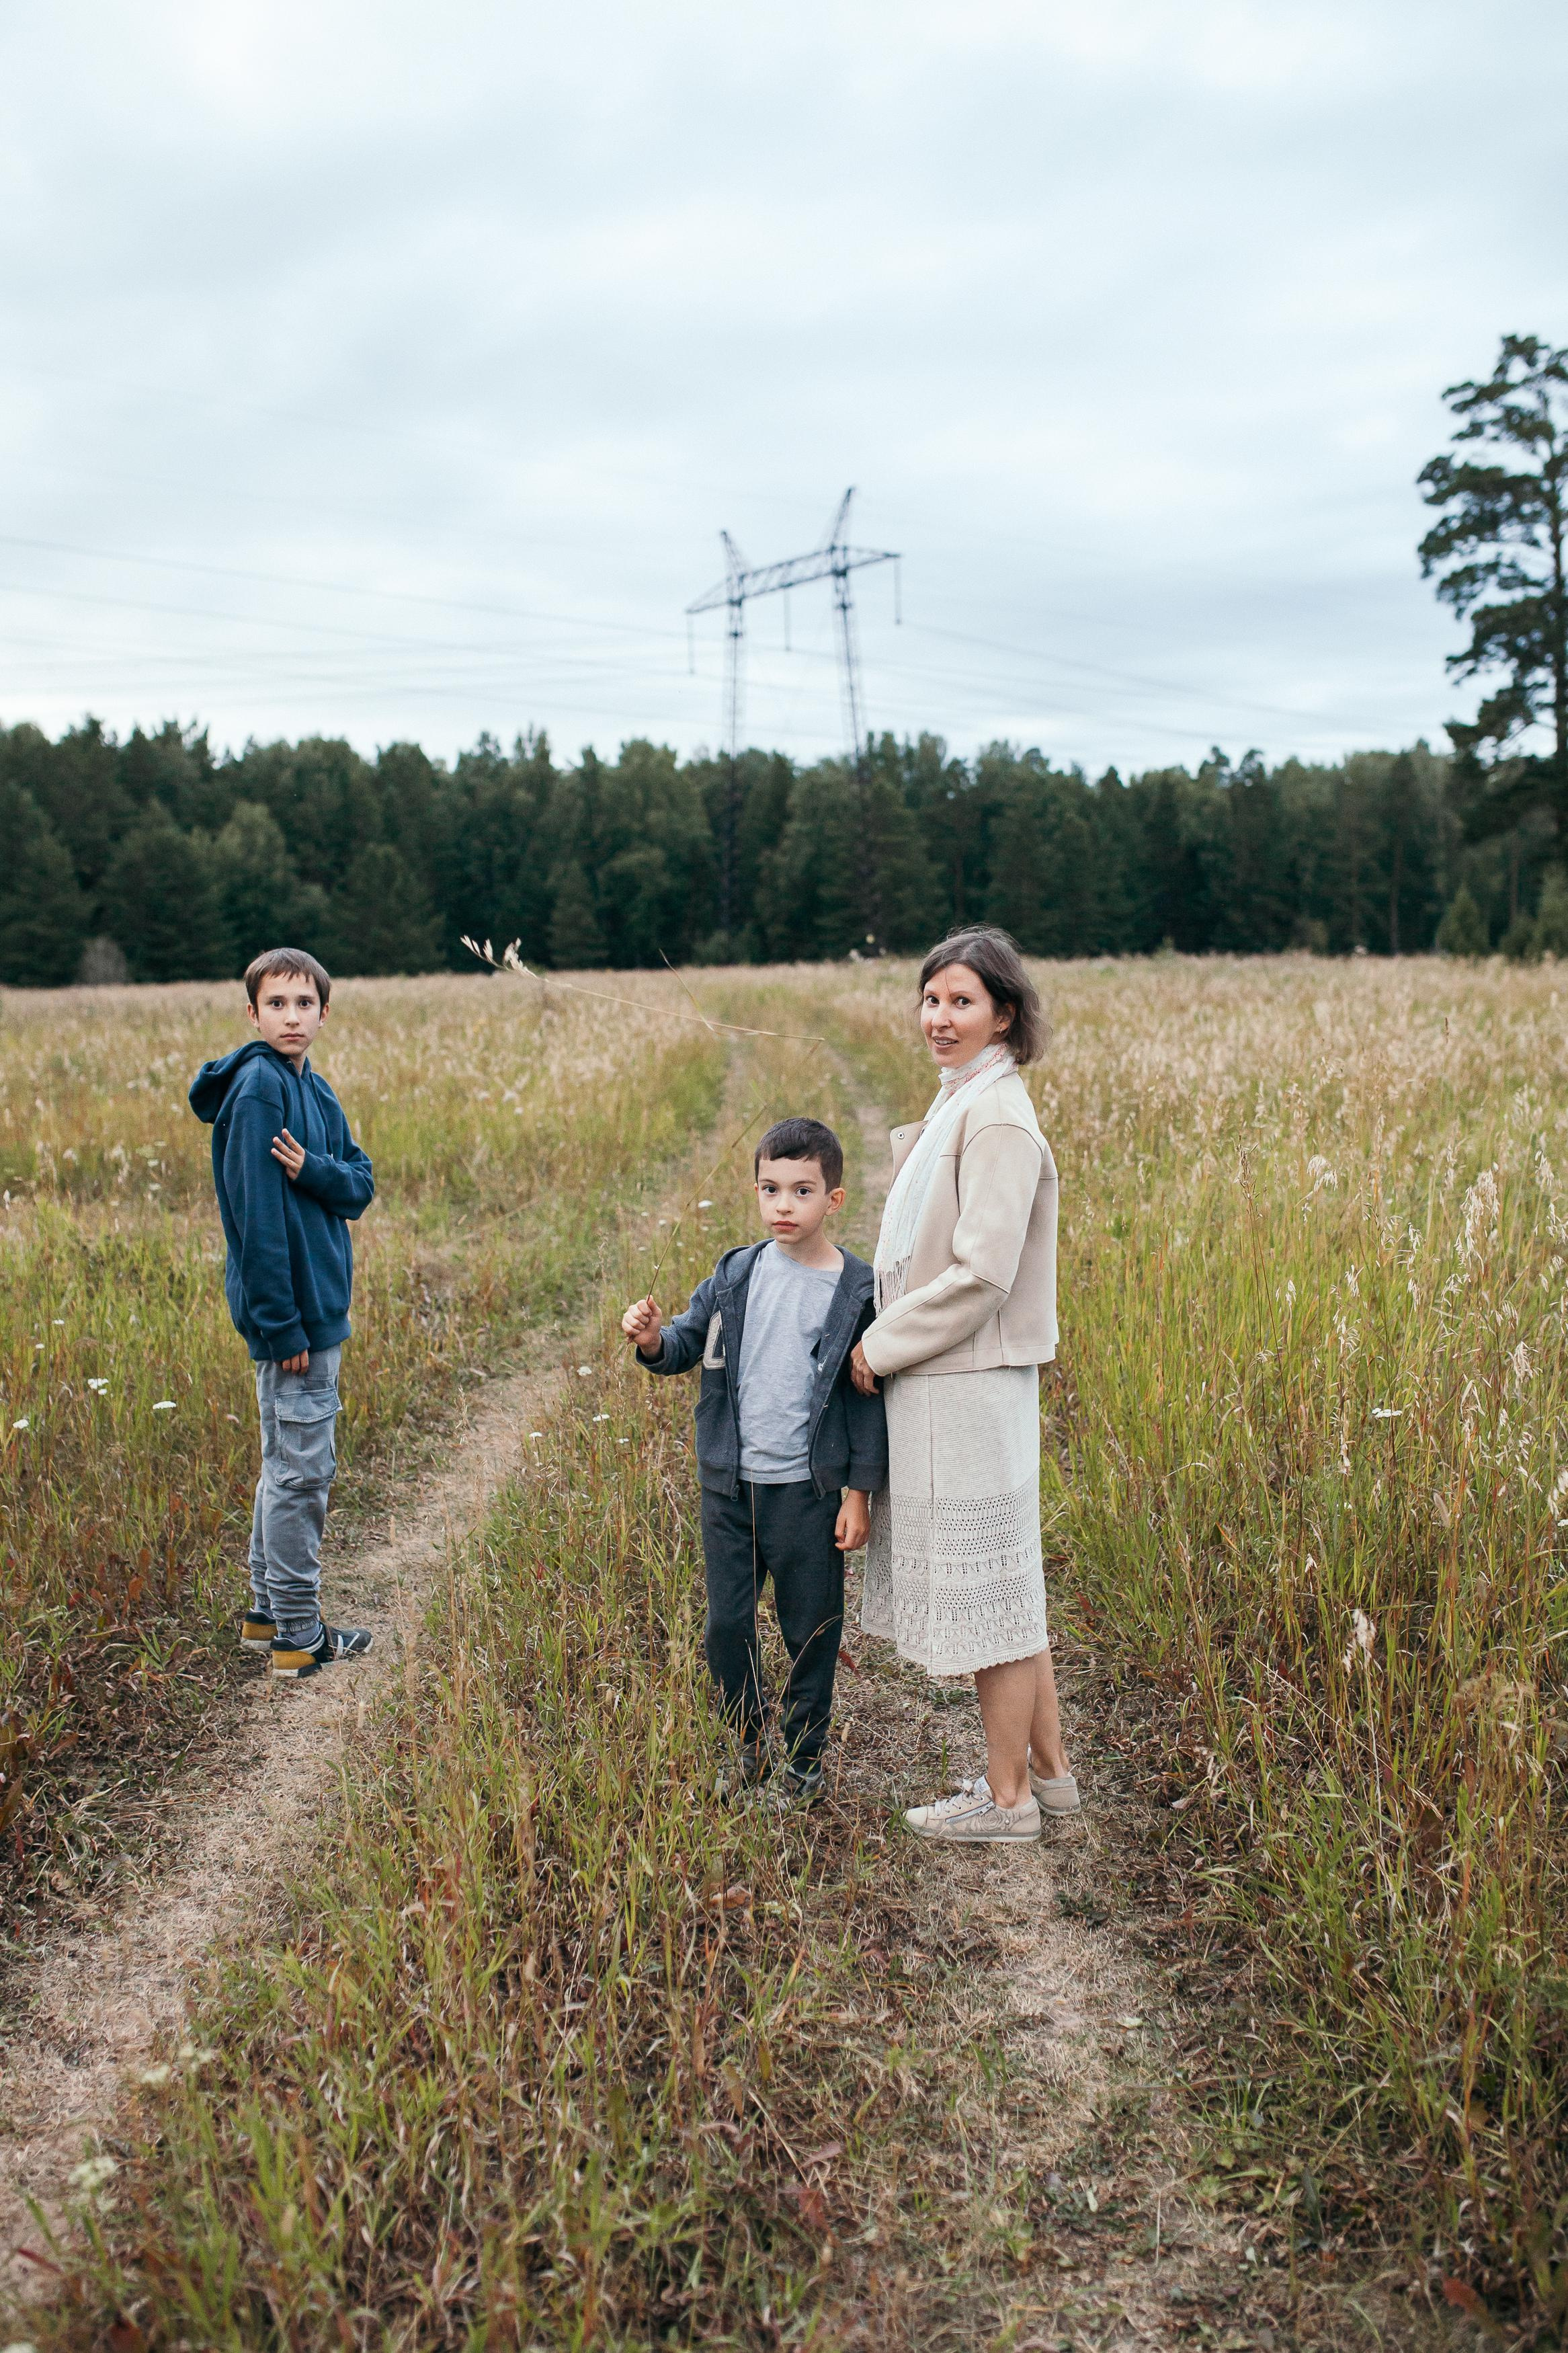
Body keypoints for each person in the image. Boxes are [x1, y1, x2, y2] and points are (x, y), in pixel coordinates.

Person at [851, 927, 1078, 1842]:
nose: (939, 1018)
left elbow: (981, 1275)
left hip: (967, 1383)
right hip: (958, 1382)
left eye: (961, 1003)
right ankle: (1051, 1781)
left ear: (1004, 1015)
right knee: (1008, 1591)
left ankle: (1006, 1800)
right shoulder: (965, 1101)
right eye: (931, 999)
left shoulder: (995, 1118)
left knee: (993, 1602)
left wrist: (880, 1344)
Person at [621, 1116, 887, 1810]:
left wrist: (858, 1492)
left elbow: (863, 1402)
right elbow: (682, 1344)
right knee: (728, 1622)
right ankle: (743, 1743)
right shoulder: (735, 1272)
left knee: (809, 1626)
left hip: (805, 1490)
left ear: (833, 1199)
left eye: (801, 1190)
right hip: (729, 1485)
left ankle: (802, 1762)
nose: (782, 1205)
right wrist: (652, 1340)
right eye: (770, 1188)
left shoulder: (854, 1288)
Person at [189, 947, 376, 1682]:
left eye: (305, 1004)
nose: (292, 1016)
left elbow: (358, 1186)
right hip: (294, 1320)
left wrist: (314, 1169)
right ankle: (299, 1636)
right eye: (277, 1003)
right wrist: (280, 1325)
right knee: (302, 1474)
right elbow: (255, 1220)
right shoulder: (261, 1089)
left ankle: (266, 1611)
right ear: (252, 1013)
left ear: (323, 1014)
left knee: (284, 1463)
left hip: (317, 1311)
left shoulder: (315, 1088)